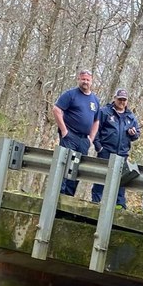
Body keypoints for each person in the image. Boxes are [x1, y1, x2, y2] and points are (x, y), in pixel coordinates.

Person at [52, 69, 101, 197]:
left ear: (91, 81)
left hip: (84, 140)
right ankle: (58, 197)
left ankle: (68, 198)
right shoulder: (71, 94)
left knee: (76, 170)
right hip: (70, 137)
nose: (85, 82)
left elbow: (96, 121)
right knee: (64, 167)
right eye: (83, 79)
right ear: (78, 79)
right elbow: (56, 109)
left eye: (88, 80)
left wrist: (91, 138)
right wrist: (64, 131)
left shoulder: (95, 100)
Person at [91, 88, 141, 208]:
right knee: (101, 179)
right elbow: (95, 129)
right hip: (106, 151)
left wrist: (133, 133)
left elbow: (136, 135)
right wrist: (98, 147)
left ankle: (119, 207)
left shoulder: (130, 117)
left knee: (120, 182)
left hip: (122, 154)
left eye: (124, 100)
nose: (122, 102)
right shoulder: (105, 112)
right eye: (120, 99)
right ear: (115, 99)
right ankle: (95, 203)